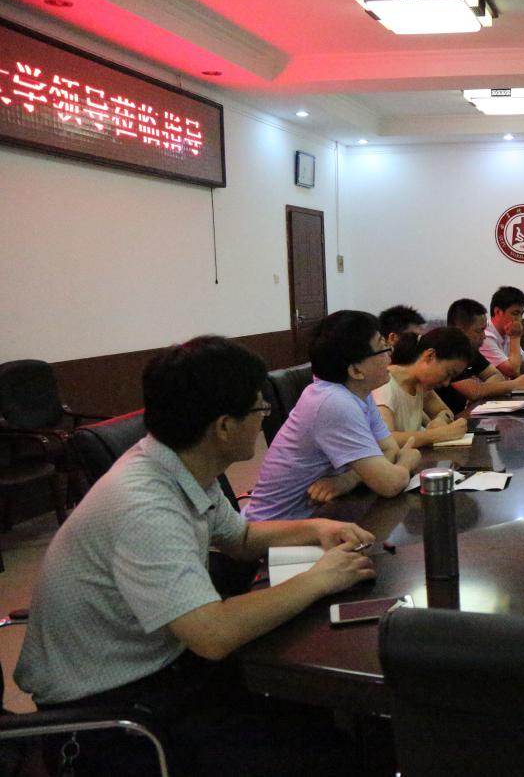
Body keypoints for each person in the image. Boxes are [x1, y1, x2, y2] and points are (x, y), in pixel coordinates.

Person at [14, 336, 377, 777]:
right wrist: (320, 577)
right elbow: (212, 634)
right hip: (112, 710)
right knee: (322, 754)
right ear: (224, 426)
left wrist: (316, 528)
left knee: (318, 715)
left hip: (164, 666)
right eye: (259, 408)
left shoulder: (179, 463)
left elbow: (240, 537)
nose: (264, 418)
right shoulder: (145, 504)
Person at [243, 310, 423, 521]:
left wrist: (349, 480)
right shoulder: (334, 402)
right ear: (356, 371)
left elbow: (389, 448)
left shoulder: (358, 392)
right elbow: (390, 484)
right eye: (383, 349)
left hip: (322, 516)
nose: (389, 356)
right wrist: (408, 459)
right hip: (277, 530)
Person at [374, 327, 472, 448]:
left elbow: (444, 411)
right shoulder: (384, 383)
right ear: (430, 355)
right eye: (448, 373)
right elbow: (386, 440)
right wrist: (440, 434)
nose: (446, 383)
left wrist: (440, 419)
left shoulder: (420, 385)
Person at [437, 297, 524, 413]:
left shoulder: (470, 351)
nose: (484, 336)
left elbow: (495, 375)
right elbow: (473, 392)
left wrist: (481, 392)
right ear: (459, 331)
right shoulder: (446, 351)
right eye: (479, 331)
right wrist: (515, 384)